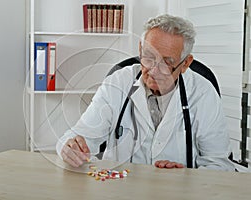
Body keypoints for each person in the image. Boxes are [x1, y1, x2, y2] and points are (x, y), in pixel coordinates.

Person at [56, 14, 235, 171]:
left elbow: (219, 165)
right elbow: (79, 137)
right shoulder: (118, 82)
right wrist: (71, 148)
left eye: (166, 62)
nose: (154, 70)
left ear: (185, 63)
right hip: (121, 190)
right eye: (148, 57)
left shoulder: (203, 92)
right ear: (140, 49)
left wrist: (184, 178)